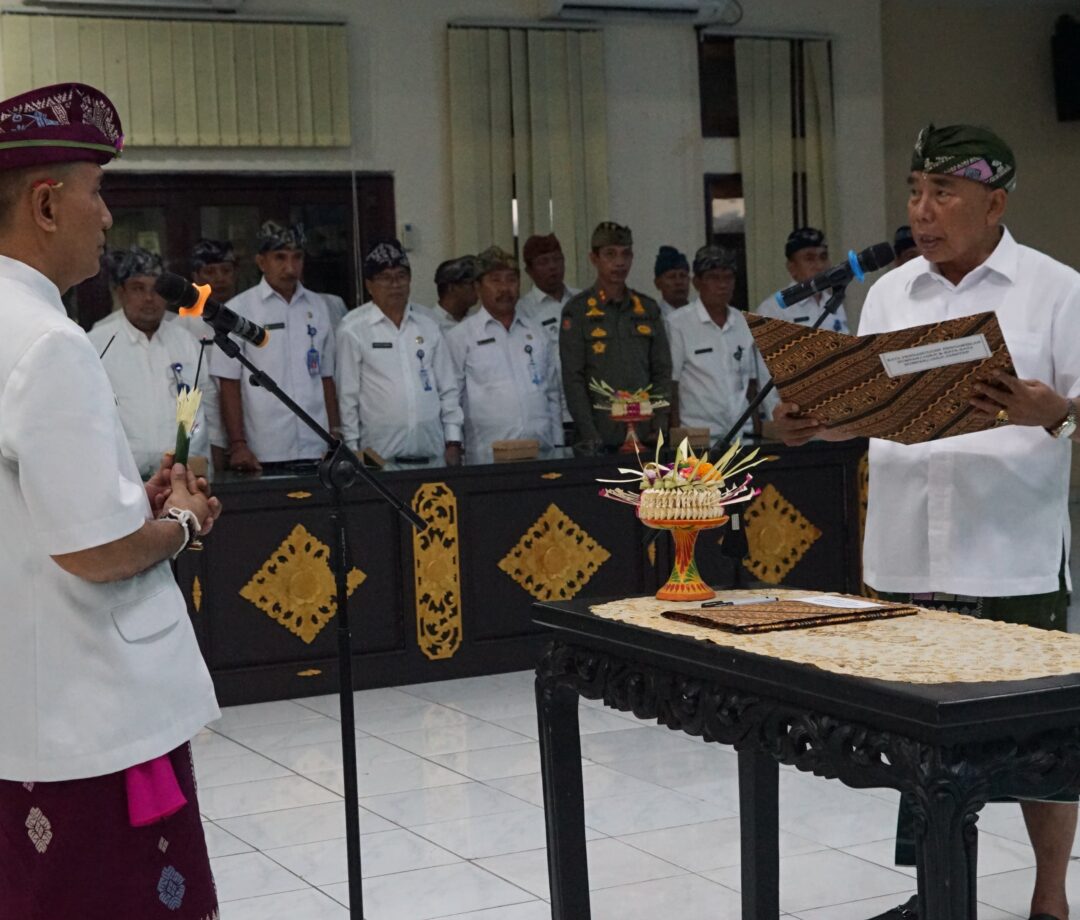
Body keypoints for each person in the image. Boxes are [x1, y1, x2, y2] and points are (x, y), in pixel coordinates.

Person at [771, 123, 1080, 920]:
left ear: (995, 202)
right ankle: (941, 899)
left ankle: (1051, 898)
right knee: (923, 749)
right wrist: (816, 422)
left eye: (943, 193)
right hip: (906, 557)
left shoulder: (1055, 290)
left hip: (1010, 555)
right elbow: (866, 414)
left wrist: (1057, 413)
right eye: (915, 191)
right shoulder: (889, 293)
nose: (922, 210)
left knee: (1042, 747)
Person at [0, 81, 222, 919]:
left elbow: (34, 510)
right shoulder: (51, 342)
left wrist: (130, 496)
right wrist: (179, 521)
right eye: (97, 193)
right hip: (88, 710)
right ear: (47, 203)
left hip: (21, 699)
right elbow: (94, 554)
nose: (108, 215)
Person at [209, 220, 340, 471]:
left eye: (297, 257)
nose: (290, 268)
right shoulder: (239, 310)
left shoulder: (319, 306)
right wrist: (237, 444)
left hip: (317, 446)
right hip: (264, 450)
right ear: (261, 262)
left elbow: (326, 377)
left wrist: (334, 433)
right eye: (280, 257)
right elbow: (228, 382)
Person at [88, 246, 218, 478]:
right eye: (138, 289)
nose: (149, 298)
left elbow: (207, 404)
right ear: (121, 292)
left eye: (157, 289)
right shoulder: (98, 343)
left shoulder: (185, 341)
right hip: (123, 480)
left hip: (184, 477)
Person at [335, 239, 463, 464]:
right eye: (385, 278)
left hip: (431, 451)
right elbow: (347, 397)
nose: (395, 284)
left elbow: (448, 388)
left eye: (401, 276)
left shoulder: (429, 323)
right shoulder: (353, 328)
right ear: (369, 285)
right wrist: (352, 449)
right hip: (377, 456)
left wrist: (453, 441)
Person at [560, 221, 672, 452]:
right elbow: (573, 379)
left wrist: (660, 423)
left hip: (645, 434)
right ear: (594, 258)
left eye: (626, 254)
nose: (620, 262)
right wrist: (590, 433)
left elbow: (661, 370)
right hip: (599, 436)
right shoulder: (578, 311)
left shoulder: (647, 309)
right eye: (610, 254)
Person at [445, 246, 561, 462]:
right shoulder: (461, 337)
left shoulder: (536, 333)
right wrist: (453, 443)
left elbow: (552, 394)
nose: (505, 288)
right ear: (478, 287)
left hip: (541, 453)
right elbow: (452, 397)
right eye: (495, 280)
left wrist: (559, 444)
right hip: (487, 457)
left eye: (511, 280)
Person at [667, 245, 777, 440]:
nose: (723, 285)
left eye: (728, 278)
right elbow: (672, 387)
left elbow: (751, 384)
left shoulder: (743, 322)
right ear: (697, 282)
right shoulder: (678, 323)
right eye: (714, 278)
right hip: (697, 436)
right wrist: (675, 439)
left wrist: (759, 431)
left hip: (743, 434)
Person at [519, 233, 579, 438]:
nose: (553, 267)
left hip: (588, 408)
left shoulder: (582, 301)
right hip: (551, 412)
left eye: (557, 259)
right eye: (543, 262)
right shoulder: (523, 310)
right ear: (529, 270)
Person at [755, 227, 851, 333]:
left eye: (823, 257)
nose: (819, 266)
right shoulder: (773, 309)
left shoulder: (835, 301)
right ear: (792, 268)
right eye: (809, 259)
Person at [431, 255, 478, 332]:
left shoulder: (479, 320)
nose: (477, 287)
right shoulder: (428, 324)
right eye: (472, 283)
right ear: (451, 287)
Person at [653, 245, 691, 318]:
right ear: (658, 283)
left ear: (689, 280)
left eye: (683, 276)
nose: (679, 282)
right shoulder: (653, 319)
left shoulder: (702, 316)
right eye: (672, 277)